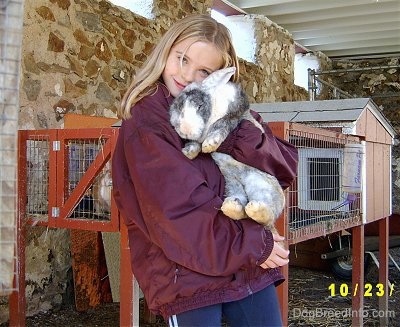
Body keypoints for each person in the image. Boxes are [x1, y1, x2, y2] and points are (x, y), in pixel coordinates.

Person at [112, 13, 298, 327]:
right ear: (166, 52)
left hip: (243, 263)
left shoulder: (220, 104)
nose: (186, 75)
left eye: (204, 71)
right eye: (182, 59)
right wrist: (254, 244)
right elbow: (177, 209)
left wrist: (236, 122)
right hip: (185, 270)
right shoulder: (147, 119)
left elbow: (281, 169)